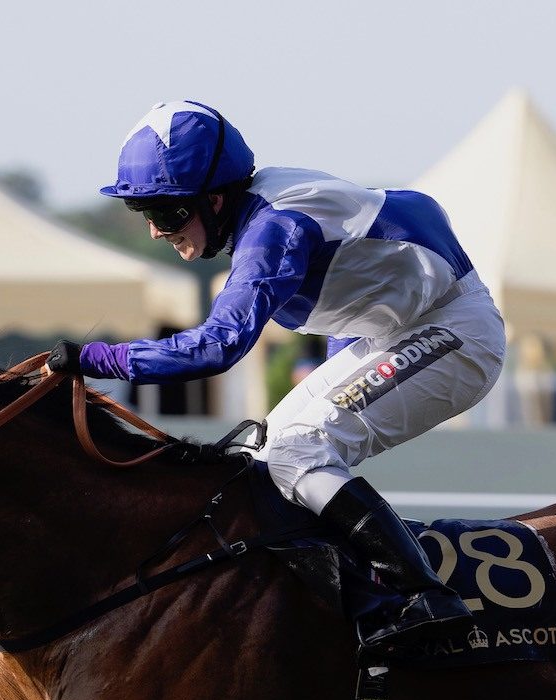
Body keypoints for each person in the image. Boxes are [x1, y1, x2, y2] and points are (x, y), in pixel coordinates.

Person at [45, 100, 506, 652]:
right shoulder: (259, 211)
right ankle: (345, 599)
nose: (152, 231)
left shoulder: (274, 228)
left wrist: (94, 359)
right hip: (402, 330)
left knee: (296, 451)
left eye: (166, 213)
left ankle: (424, 597)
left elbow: (215, 348)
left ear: (214, 200)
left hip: (457, 331)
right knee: (264, 458)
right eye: (142, 212)